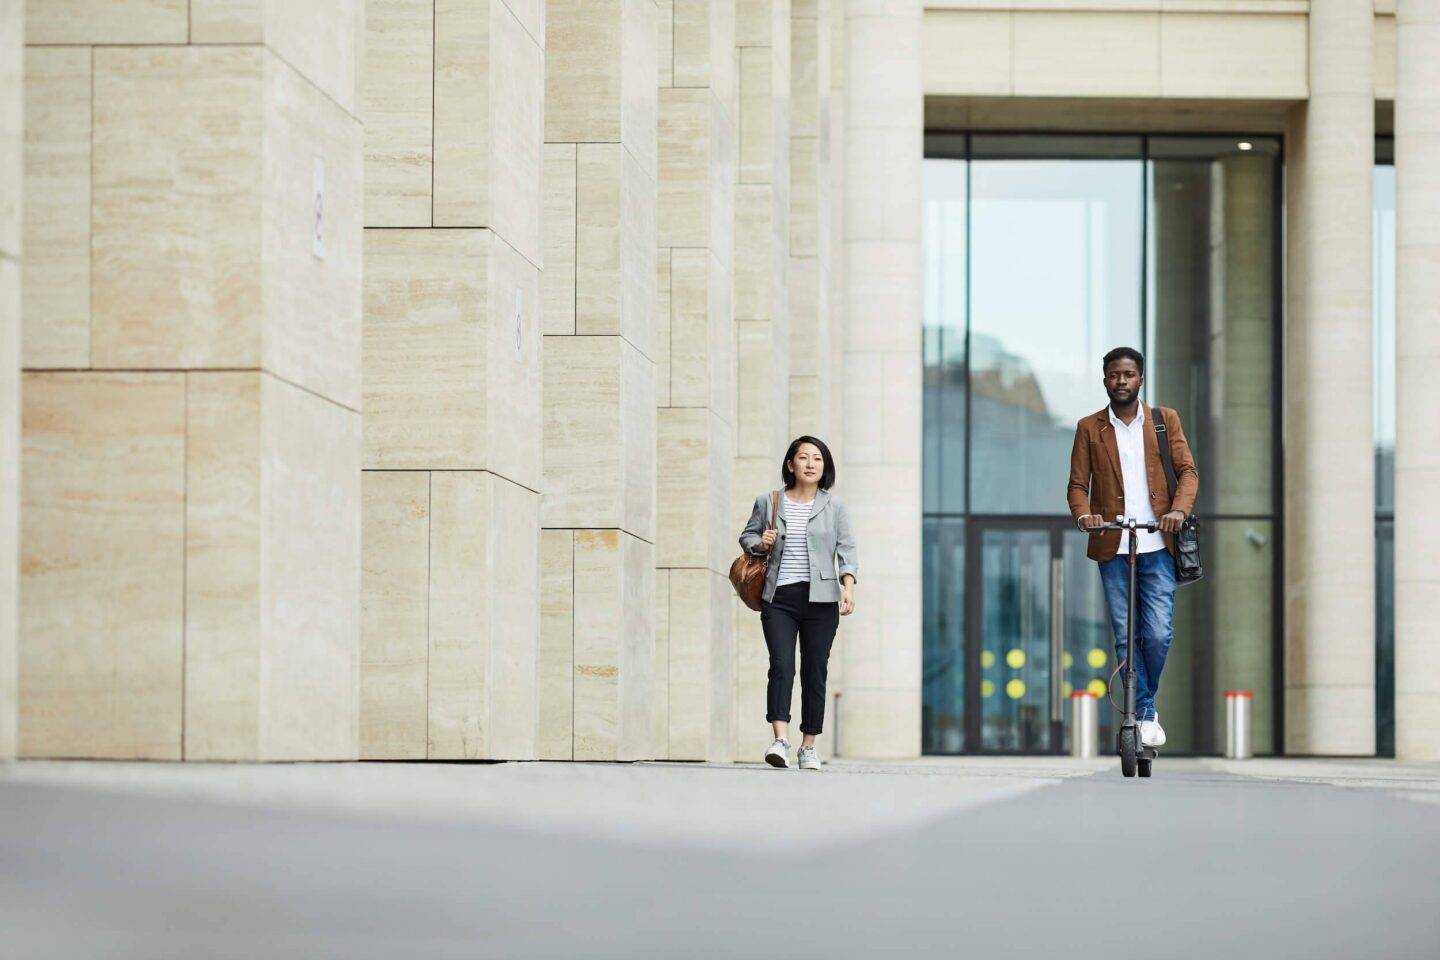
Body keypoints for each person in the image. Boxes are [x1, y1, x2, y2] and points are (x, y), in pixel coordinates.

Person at [1067, 347, 1198, 749]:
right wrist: (1084, 515)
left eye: (1128, 375)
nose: (1120, 381)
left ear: (1140, 378)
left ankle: (1144, 707)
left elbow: (1187, 472)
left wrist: (1178, 510)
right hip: (1113, 545)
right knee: (1126, 636)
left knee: (1156, 633)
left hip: (1158, 544)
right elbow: (1077, 485)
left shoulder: (1164, 421)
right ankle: (1143, 715)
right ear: (1104, 379)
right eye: (1113, 375)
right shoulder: (1089, 427)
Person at [738, 436, 858, 771]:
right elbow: (746, 537)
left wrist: (848, 587)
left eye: (816, 458)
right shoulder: (769, 501)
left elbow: (847, 550)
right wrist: (760, 542)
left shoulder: (835, 507)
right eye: (802, 457)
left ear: (824, 466)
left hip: (821, 600)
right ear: (790, 464)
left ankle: (809, 745)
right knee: (782, 665)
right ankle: (780, 739)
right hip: (780, 598)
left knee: (814, 671)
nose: (809, 464)